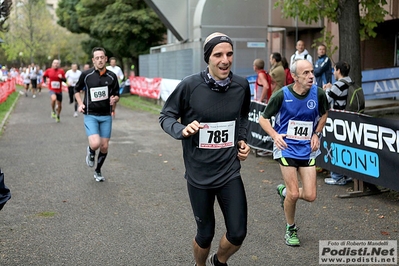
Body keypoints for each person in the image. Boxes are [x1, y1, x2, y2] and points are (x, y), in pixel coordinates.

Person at [159, 32, 251, 266]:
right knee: (205, 234)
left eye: (229, 54)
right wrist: (182, 130)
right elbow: (166, 116)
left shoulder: (241, 85)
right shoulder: (190, 85)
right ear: (207, 58)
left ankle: (219, 261)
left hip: (229, 171)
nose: (225, 60)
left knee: (238, 232)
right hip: (199, 174)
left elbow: (243, 116)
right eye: (218, 54)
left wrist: (241, 140)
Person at [259, 59, 328, 247]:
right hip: (286, 147)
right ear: (295, 77)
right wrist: (275, 135)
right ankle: (291, 228)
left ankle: (285, 193)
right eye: (305, 73)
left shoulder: (319, 94)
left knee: (310, 195)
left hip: (307, 148)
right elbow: (263, 119)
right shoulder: (281, 95)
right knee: (294, 194)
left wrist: (317, 133)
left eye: (312, 72)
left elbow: (324, 114)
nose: (311, 76)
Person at [74, 47, 120, 182]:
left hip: (106, 115)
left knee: (104, 146)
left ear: (106, 59)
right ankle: (91, 151)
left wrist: (115, 99)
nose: (100, 60)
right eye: (97, 58)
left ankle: (98, 170)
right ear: (93, 60)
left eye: (102, 57)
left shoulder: (112, 76)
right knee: (95, 144)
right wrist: (80, 103)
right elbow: (76, 89)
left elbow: (117, 94)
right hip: (91, 114)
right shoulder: (86, 75)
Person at [323, 61, 354, 185]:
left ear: (339, 71)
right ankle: (347, 175)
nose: (333, 72)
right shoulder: (350, 81)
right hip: (349, 118)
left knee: (336, 146)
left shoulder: (338, 84)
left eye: (334, 70)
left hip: (339, 119)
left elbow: (326, 100)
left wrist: (326, 89)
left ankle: (337, 177)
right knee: (346, 146)